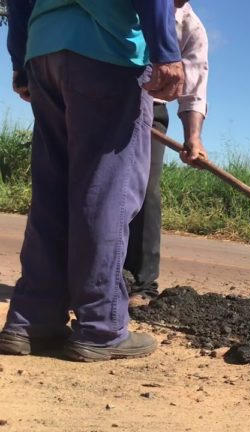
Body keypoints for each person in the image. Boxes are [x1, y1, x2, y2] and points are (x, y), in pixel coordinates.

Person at [0, 0, 185, 361]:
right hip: (106, 50)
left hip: (45, 48)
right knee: (105, 190)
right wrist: (165, 50)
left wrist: (21, 61)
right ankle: (101, 325)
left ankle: (32, 320)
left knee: (51, 190)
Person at [125, 0, 209, 307]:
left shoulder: (192, 27)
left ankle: (143, 283)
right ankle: (88, 276)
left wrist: (193, 138)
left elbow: (194, 90)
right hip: (105, 95)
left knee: (145, 190)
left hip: (151, 110)